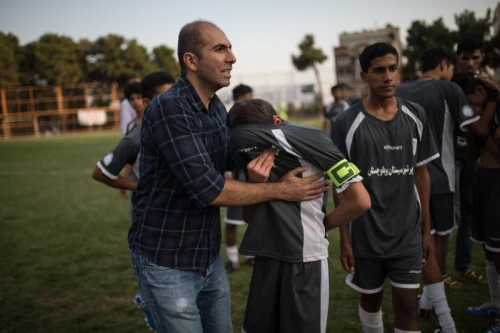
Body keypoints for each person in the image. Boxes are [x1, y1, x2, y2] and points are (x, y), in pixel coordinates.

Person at [127, 20, 330, 333]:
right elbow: (210, 190)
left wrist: (295, 143)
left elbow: (235, 158)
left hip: (206, 257)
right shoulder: (170, 108)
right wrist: (280, 190)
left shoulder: (216, 108)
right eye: (220, 49)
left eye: (230, 48)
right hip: (167, 261)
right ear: (191, 61)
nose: (232, 57)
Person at [227, 98, 371, 333]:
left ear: (276, 122)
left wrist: (323, 225)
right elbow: (249, 217)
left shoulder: (311, 140)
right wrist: (257, 185)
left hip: (305, 258)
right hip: (266, 256)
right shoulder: (249, 155)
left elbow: (360, 201)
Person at [333, 43, 439, 333]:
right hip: (365, 236)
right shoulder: (345, 123)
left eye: (393, 69)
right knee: (371, 300)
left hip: (407, 234)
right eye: (379, 70)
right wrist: (344, 238)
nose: (388, 77)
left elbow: (422, 176)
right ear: (364, 76)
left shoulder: (416, 116)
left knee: (407, 305)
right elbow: (340, 185)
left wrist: (426, 231)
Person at [395, 47, 494, 332]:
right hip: (438, 178)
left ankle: (425, 302)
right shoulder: (450, 89)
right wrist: (492, 99)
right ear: (443, 65)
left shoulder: (401, 89)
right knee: (435, 244)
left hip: (403, 179)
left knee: (416, 243)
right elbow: (477, 130)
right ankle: (443, 317)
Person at [91, 71, 176, 331]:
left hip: (174, 207)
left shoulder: (176, 124)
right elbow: (119, 163)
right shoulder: (134, 132)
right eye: (134, 98)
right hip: (150, 204)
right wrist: (134, 184)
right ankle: (150, 302)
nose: (137, 101)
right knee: (154, 260)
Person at [452, 72, 500, 333]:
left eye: (469, 102)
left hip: (497, 181)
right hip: (484, 179)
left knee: (499, 251)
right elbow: (471, 154)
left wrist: (484, 128)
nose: (467, 109)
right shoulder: (481, 115)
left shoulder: (495, 110)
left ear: (482, 93)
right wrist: (473, 130)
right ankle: (494, 303)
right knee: (490, 251)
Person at [453, 38, 489, 285]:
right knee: (441, 219)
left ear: (482, 58)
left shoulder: (487, 84)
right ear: (456, 59)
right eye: (465, 58)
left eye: (474, 58)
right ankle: (437, 273)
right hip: (450, 157)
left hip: (475, 157)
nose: (469, 63)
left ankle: (463, 265)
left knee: (469, 212)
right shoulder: (450, 84)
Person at [224, 83, 254, 273]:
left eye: (251, 98)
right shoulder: (227, 121)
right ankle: (232, 259)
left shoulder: (257, 119)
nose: (249, 102)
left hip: (254, 179)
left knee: (256, 219)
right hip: (234, 179)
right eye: (245, 98)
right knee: (232, 222)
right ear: (236, 100)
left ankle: (252, 255)